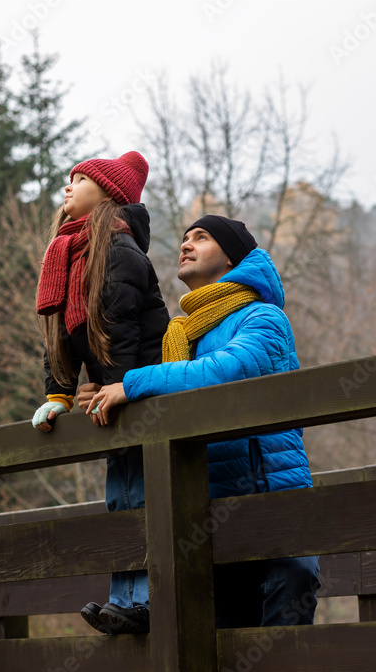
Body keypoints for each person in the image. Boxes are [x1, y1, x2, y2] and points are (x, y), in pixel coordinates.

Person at [82, 214, 320, 630]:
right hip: (209, 517)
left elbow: (227, 369)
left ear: (232, 258)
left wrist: (131, 384)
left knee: (284, 645)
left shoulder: (261, 318)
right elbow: (159, 390)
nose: (186, 245)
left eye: (202, 237)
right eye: (185, 238)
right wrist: (103, 391)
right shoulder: (180, 335)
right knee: (221, 644)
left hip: (272, 505)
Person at [31, 151, 169, 636]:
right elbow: (61, 338)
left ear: (109, 193)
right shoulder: (70, 250)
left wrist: (117, 384)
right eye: (69, 179)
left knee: (145, 494)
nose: (68, 187)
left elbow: (119, 326)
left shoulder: (119, 251)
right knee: (121, 497)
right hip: (117, 387)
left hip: (144, 390)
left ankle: (148, 599)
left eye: (81, 178)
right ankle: (123, 599)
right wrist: (61, 395)